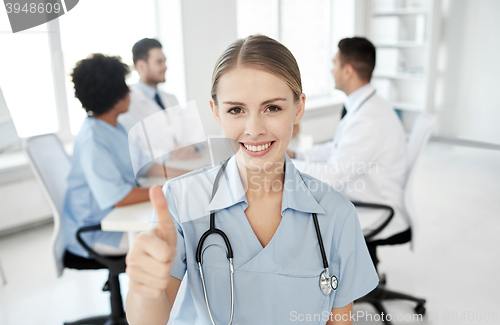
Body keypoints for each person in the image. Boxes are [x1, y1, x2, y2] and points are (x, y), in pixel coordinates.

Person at [125, 35, 378, 325]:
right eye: (236, 110)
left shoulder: (336, 214)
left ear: (298, 108)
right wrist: (144, 286)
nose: (254, 129)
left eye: (272, 108)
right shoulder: (182, 200)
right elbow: (147, 321)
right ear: (216, 112)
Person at [62, 54, 187, 258]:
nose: (129, 92)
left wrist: (189, 175)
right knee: (174, 238)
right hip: (100, 231)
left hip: (118, 217)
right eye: (124, 87)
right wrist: (170, 190)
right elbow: (120, 198)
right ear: (114, 95)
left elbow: (146, 166)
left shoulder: (114, 126)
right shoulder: (92, 139)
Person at [288, 37, 408, 246]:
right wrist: (297, 155)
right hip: (365, 195)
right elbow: (337, 148)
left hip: (372, 208)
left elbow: (331, 177)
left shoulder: (368, 120)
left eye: (335, 64)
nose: (331, 70)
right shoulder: (368, 106)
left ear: (348, 71)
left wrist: (281, 163)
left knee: (295, 217)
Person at [118, 38, 199, 160]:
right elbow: (131, 151)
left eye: (165, 61)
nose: (165, 67)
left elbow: (192, 130)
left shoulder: (171, 99)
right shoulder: (127, 103)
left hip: (182, 167)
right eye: (159, 62)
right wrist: (168, 154)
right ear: (141, 66)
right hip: (153, 174)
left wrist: (192, 145)